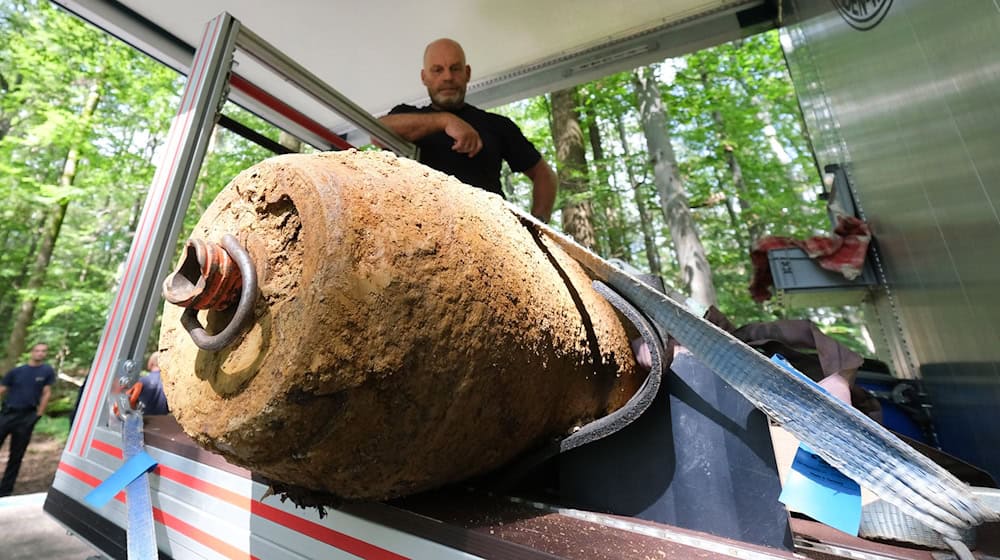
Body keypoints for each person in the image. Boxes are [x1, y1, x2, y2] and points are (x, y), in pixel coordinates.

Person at [380, 38, 557, 222]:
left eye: (455, 68)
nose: (447, 77)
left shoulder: (497, 125)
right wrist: (445, 121)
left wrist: (537, 228)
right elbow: (379, 134)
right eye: (438, 70)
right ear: (424, 77)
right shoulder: (405, 115)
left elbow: (544, 174)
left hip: (491, 234)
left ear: (467, 73)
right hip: (423, 233)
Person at [0, 342, 55, 496]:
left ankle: (5, 491)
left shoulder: (47, 371)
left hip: (27, 417)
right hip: (7, 414)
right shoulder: (17, 372)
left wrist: (38, 414)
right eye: (37, 350)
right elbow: (2, 389)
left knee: (16, 455)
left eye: (43, 351)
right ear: (32, 352)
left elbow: (46, 393)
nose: (40, 353)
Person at [137, 352, 169, 416]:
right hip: (163, 420)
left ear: (151, 363)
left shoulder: (143, 381)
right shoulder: (169, 382)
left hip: (145, 420)